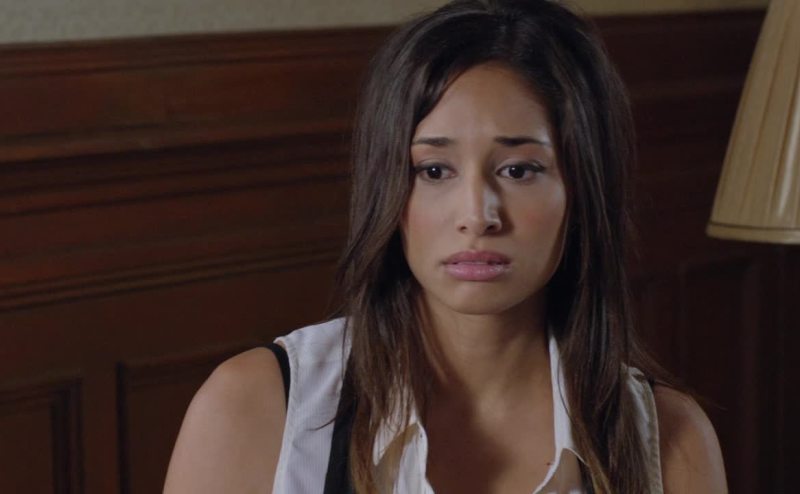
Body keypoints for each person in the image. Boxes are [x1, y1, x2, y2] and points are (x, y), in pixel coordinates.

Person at [163, 0, 727, 492]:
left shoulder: (670, 441)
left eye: (518, 169)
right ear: (387, 186)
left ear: (582, 191)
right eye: (434, 170)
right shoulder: (256, 409)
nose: (477, 216)